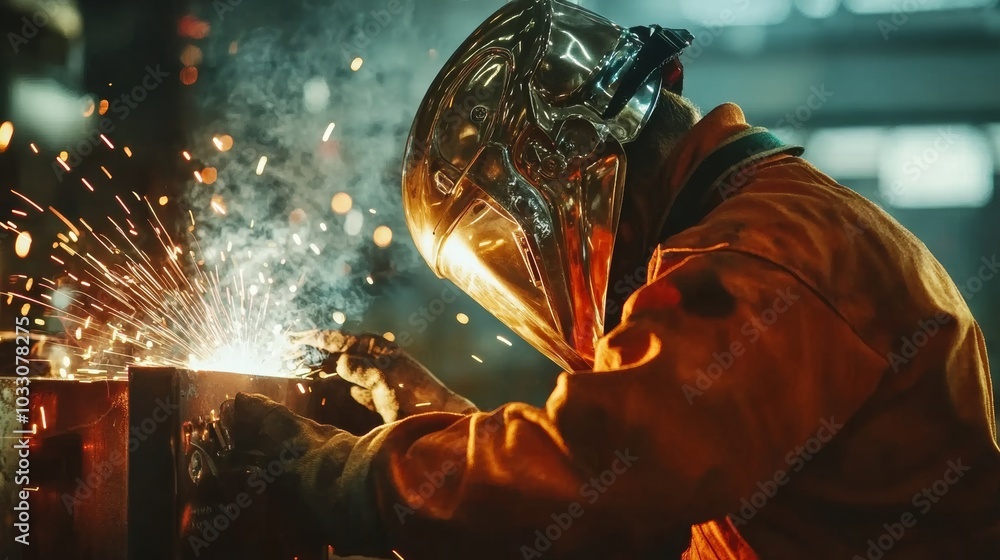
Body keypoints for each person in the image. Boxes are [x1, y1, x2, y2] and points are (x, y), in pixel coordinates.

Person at [223, 1, 1000, 558]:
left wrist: (347, 475)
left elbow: (603, 482)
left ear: (579, 187)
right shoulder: (755, 227)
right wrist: (439, 423)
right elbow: (628, 490)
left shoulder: (760, 262)